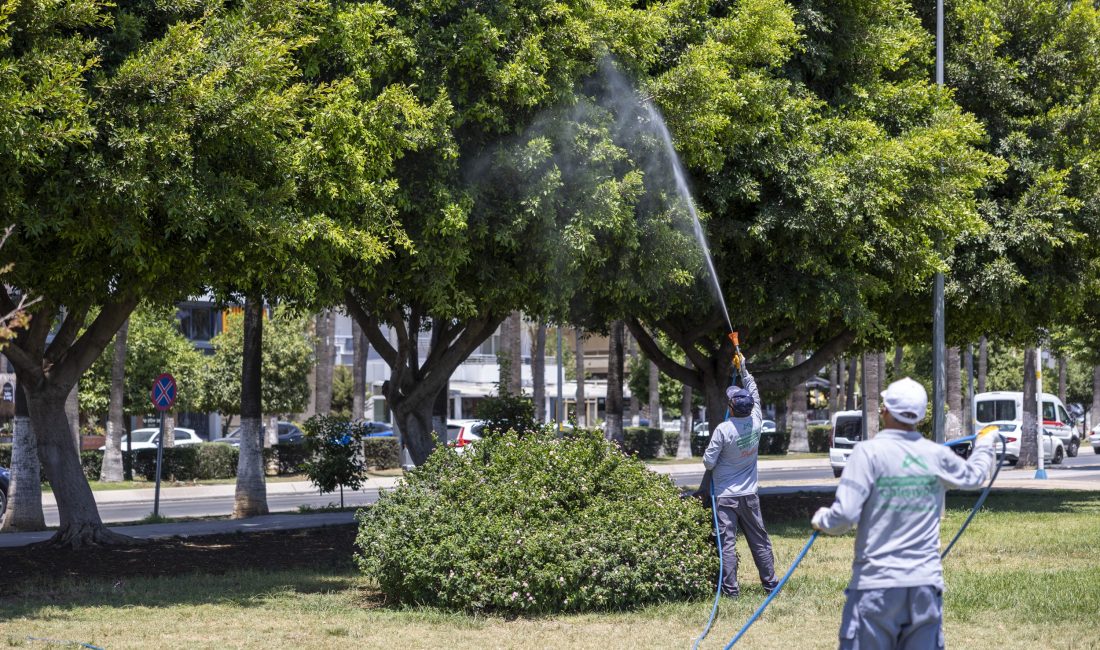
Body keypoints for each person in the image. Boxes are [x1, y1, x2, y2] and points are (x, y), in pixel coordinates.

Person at [811, 377, 998, 650]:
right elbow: (975, 476)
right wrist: (984, 444)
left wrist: (821, 520)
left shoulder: (866, 454)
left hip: (875, 588)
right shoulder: (935, 454)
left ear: (884, 410)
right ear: (920, 417)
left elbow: (844, 517)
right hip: (924, 587)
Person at [702, 354, 778, 597]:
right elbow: (754, 392)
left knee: (727, 545)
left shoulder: (723, 430)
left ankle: (731, 592)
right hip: (749, 495)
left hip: (725, 497)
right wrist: (743, 368)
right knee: (760, 541)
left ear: (731, 408)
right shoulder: (757, 422)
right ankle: (771, 586)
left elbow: (708, 462)